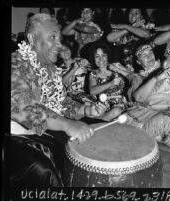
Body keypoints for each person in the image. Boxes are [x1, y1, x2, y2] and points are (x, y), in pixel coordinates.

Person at [8, 13, 108, 187]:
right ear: (32, 38)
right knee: (46, 172)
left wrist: (86, 109)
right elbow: (25, 110)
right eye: (52, 37)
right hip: (14, 139)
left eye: (59, 38)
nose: (59, 45)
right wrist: (67, 125)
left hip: (43, 133)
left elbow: (61, 103)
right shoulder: (15, 64)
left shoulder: (51, 69)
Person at [118, 44, 170, 147]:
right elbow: (138, 97)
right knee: (124, 119)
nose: (149, 56)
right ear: (138, 61)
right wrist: (155, 78)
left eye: (150, 52)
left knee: (166, 119)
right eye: (144, 55)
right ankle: (168, 139)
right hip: (150, 111)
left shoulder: (168, 65)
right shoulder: (137, 77)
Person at [88, 42, 128, 121]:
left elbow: (132, 76)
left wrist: (119, 70)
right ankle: (98, 122)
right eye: (97, 56)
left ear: (107, 56)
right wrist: (110, 84)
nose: (101, 59)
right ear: (93, 58)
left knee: (116, 111)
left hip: (121, 103)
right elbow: (92, 90)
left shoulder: (116, 65)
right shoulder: (93, 74)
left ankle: (97, 122)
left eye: (103, 55)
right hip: (104, 105)